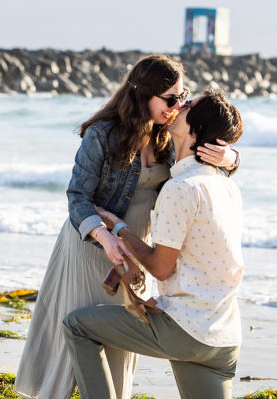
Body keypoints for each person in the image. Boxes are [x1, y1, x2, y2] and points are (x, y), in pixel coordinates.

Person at [14, 56, 239, 399]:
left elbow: (204, 155)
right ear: (143, 95)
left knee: (118, 348)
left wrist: (231, 158)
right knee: (75, 336)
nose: (177, 106)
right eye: (170, 99)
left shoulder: (168, 135)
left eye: (183, 97)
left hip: (140, 252)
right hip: (91, 247)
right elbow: (78, 198)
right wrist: (107, 237)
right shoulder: (103, 134)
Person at [63, 88, 245, 399]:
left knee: (77, 325)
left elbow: (161, 268)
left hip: (185, 330)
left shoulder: (180, 188)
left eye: (187, 105)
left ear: (195, 130)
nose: (179, 106)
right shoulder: (228, 187)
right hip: (224, 338)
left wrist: (118, 227)